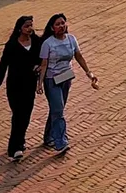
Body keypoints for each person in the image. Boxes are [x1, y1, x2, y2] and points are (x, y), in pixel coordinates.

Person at [36, 13, 99, 153]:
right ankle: (61, 141)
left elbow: (79, 56)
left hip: (66, 78)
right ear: (52, 28)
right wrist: (39, 83)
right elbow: (44, 64)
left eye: (63, 23)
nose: (61, 26)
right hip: (51, 80)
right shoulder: (48, 43)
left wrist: (90, 74)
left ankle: (48, 137)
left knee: (57, 109)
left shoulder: (71, 39)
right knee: (58, 109)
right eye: (57, 24)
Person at [0, 15, 42, 160]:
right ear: (20, 28)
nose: (29, 28)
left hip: (29, 85)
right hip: (14, 86)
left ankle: (20, 141)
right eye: (27, 26)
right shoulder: (12, 45)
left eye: (31, 25)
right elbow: (3, 65)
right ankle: (14, 148)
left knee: (26, 115)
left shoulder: (36, 42)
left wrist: (39, 66)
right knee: (18, 115)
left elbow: (42, 58)